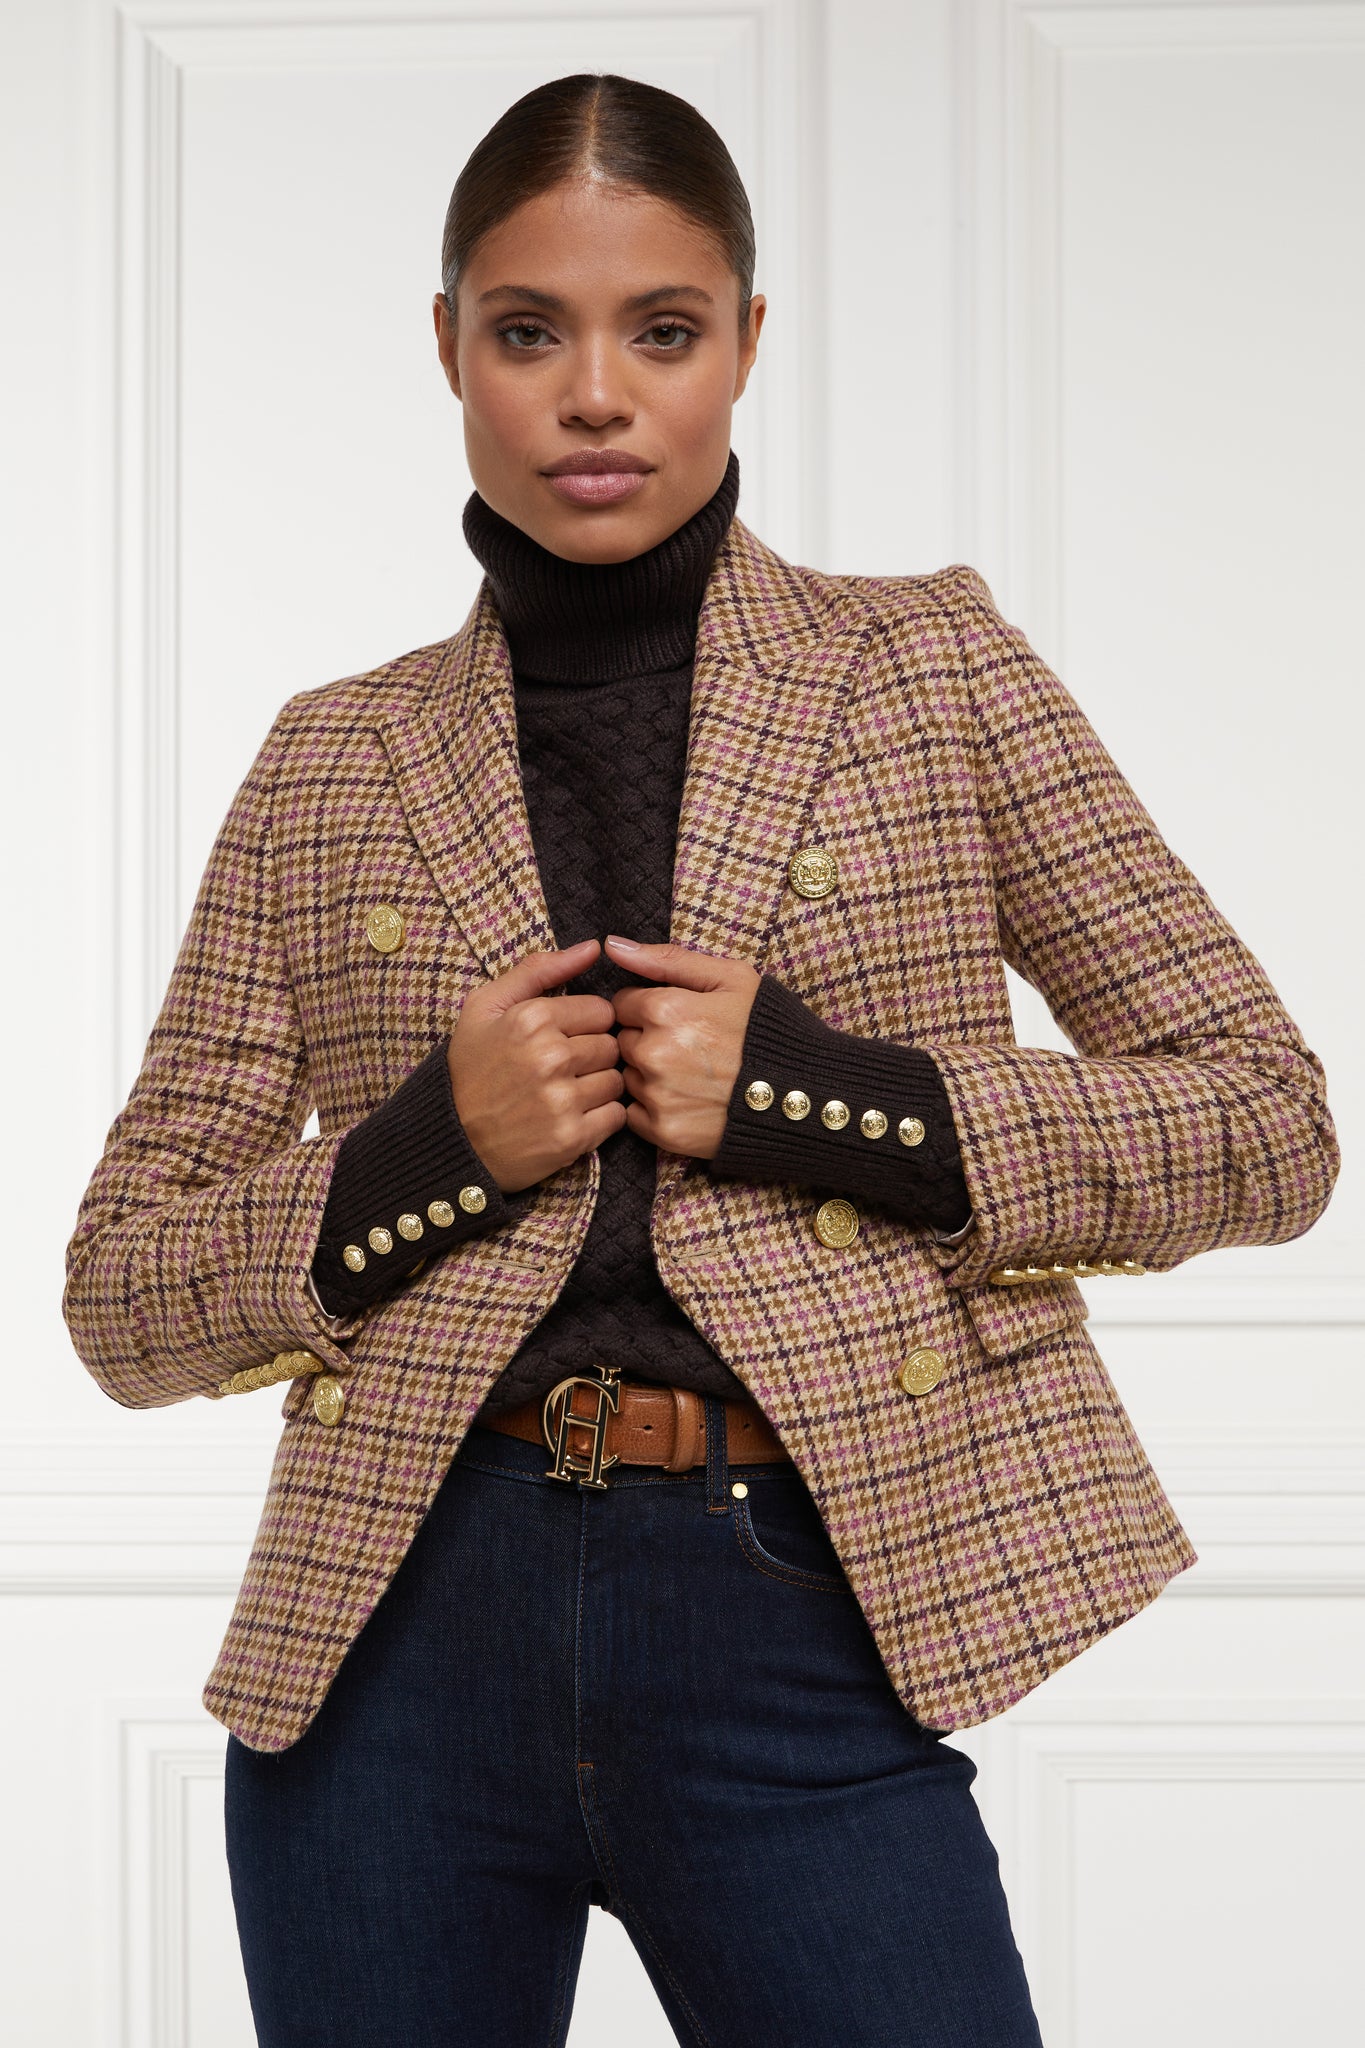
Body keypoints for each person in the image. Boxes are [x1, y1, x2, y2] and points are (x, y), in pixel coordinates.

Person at [63, 72, 1338, 2048]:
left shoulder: (927, 669)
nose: (595, 397)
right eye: (529, 332)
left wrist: (822, 1096)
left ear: (745, 340)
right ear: (445, 348)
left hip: (797, 1603)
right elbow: (122, 1293)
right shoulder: (330, 757)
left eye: (659, 331)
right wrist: (429, 1150)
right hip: (400, 1643)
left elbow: (1264, 1121)